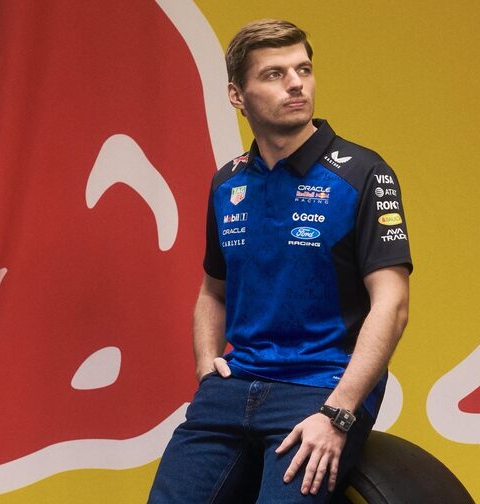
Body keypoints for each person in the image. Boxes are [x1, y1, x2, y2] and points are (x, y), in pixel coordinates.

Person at [148, 19, 411, 503]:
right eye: (274, 74)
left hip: (321, 388)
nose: (296, 83)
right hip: (231, 388)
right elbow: (213, 291)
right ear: (237, 95)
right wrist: (207, 370)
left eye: (303, 69)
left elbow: (391, 305)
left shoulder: (363, 173)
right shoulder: (227, 183)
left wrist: (338, 414)